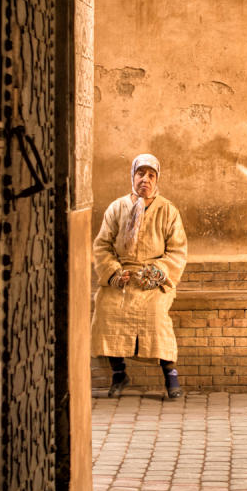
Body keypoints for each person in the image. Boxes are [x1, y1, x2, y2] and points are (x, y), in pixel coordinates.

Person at [91, 152, 188, 399]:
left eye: (151, 175)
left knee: (156, 315)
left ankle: (170, 375)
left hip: (153, 281)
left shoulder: (168, 211)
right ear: (132, 176)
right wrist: (114, 273)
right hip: (122, 276)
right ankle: (119, 374)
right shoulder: (117, 208)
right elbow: (102, 245)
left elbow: (177, 250)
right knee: (106, 307)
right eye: (140, 174)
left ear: (157, 180)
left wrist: (157, 272)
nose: (145, 179)